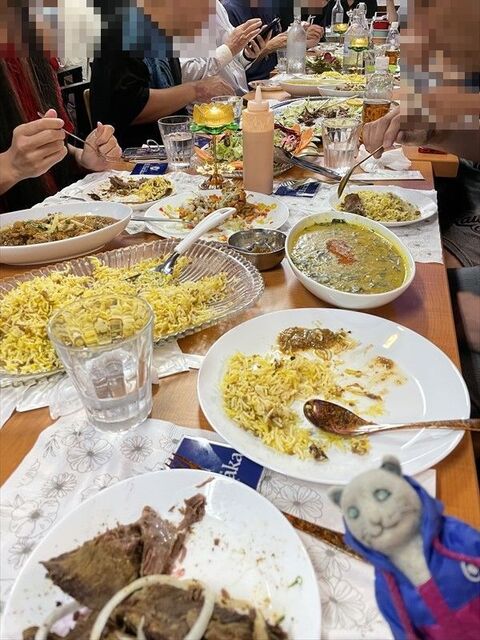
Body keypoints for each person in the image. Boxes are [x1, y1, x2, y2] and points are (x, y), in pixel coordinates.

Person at [0, 57, 122, 213]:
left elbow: (57, 152)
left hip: (56, 214)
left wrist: (82, 157)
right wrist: (10, 167)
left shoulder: (34, 58)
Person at [224, 0, 325, 81]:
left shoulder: (269, 5)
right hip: (254, 82)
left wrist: (301, 36)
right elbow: (234, 66)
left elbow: (280, 39)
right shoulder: (230, 9)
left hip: (277, 75)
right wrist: (269, 47)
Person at [181, 2, 268, 95]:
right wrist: (228, 49)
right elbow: (186, 73)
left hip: (239, 96)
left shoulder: (216, 5)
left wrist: (247, 54)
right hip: (209, 102)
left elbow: (233, 61)